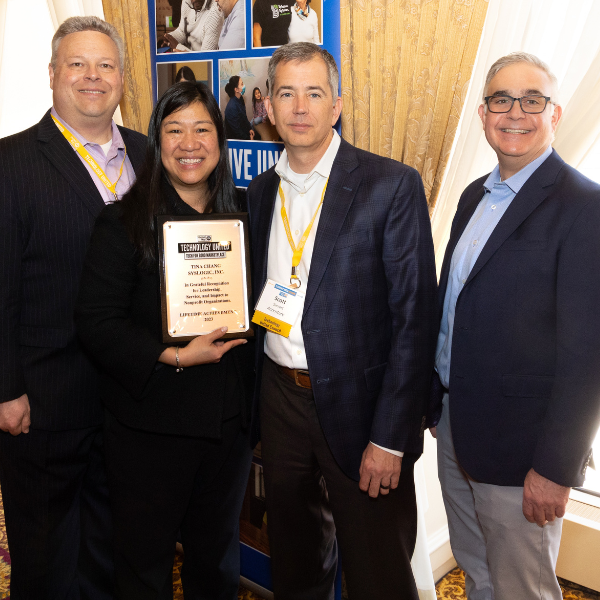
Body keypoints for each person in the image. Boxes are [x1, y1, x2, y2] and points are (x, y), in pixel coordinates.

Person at [247, 42, 438, 599]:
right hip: (280, 403)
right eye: (286, 93)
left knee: (377, 572)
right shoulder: (261, 192)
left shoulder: (389, 185)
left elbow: (414, 321)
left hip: (364, 412)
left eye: (314, 93)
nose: (299, 106)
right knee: (296, 565)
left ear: (337, 105)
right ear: (268, 106)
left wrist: (391, 438)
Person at [429, 52, 600, 600]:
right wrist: (435, 401)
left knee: (522, 590)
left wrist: (556, 468)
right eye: (502, 99)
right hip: (457, 426)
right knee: (478, 574)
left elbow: (587, 354)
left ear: (554, 113)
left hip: (522, 450)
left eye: (532, 100)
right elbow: (454, 304)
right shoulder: (473, 196)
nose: (516, 112)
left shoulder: (584, 206)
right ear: (483, 114)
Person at [75, 81, 255, 599]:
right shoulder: (123, 221)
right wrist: (172, 354)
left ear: (221, 142)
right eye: (174, 130)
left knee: (217, 563)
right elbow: (96, 322)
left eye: (202, 129)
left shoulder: (244, 215)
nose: (189, 143)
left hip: (226, 430)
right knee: (143, 566)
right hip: (148, 431)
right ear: (157, 142)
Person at [0, 15, 146, 599]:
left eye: (106, 65)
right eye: (78, 64)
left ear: (121, 79)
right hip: (43, 404)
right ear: (53, 75)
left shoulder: (145, 153)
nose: (93, 76)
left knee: (111, 554)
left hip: (129, 401)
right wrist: (6, 388)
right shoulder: (9, 163)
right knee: (47, 564)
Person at [224, 76, 255, 140]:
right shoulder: (231, 107)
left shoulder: (240, 99)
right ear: (236, 89)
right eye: (242, 84)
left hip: (243, 132)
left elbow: (244, 117)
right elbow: (237, 130)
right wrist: (248, 139)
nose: (244, 86)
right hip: (234, 139)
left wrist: (249, 129)